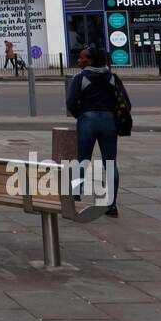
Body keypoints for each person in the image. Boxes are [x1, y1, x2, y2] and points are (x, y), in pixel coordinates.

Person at [65, 47, 124, 217]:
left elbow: (70, 103)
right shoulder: (112, 77)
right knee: (110, 163)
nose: (78, 60)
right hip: (109, 120)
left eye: (82, 58)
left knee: (82, 160)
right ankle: (111, 205)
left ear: (90, 60)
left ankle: (75, 200)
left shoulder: (81, 78)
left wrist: (80, 114)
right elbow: (124, 101)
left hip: (87, 119)